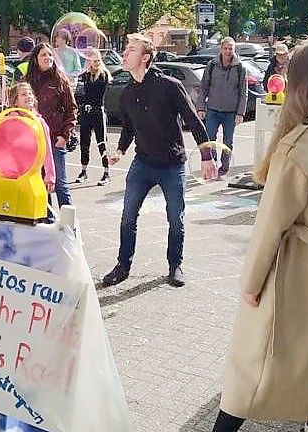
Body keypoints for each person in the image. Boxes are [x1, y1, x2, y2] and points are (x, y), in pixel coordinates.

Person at [211, 38, 308, 432]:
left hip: (294, 267)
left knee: (251, 365)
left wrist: (251, 283)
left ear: (296, 81)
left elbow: (270, 225)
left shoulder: (299, 145)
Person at [102, 33, 215, 288]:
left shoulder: (169, 86)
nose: (125, 53)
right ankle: (123, 266)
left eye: (131, 50)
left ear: (145, 58)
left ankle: (175, 266)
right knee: (128, 217)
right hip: (142, 164)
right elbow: (128, 128)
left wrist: (206, 156)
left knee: (175, 218)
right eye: (126, 49)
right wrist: (120, 150)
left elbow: (193, 121)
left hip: (172, 165)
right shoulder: (127, 92)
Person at [25, 43, 77, 208]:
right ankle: (46, 221)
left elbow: (72, 109)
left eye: (50, 55)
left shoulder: (60, 80)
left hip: (54, 139)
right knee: (39, 184)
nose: (48, 58)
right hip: (33, 141)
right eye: (43, 55)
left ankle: (69, 226)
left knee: (60, 184)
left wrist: (65, 136)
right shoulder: (27, 82)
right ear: (35, 59)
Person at [196, 37, 248, 177]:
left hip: (230, 112)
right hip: (213, 109)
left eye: (230, 48)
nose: (227, 51)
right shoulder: (212, 65)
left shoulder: (240, 67)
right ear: (221, 49)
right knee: (210, 138)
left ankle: (224, 167)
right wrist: (201, 107)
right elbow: (204, 87)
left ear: (234, 50)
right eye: (225, 48)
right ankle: (212, 163)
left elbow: (243, 92)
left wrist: (240, 113)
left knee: (228, 141)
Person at [7, 82, 56, 194]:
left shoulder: (39, 122)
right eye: (24, 94)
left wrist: (50, 176)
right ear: (15, 101)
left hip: (33, 175)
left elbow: (47, 150)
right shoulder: (9, 120)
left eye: (30, 93)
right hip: (12, 174)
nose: (29, 96)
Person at [75, 48, 112, 186]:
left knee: (101, 142)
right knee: (84, 142)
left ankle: (106, 172)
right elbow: (81, 91)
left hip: (97, 112)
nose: (95, 63)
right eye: (92, 60)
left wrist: (92, 105)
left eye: (97, 60)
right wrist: (84, 105)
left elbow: (98, 94)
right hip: (86, 112)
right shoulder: (86, 75)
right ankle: (83, 171)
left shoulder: (103, 75)